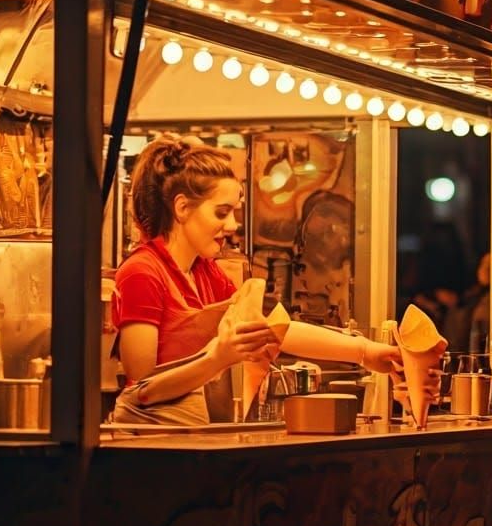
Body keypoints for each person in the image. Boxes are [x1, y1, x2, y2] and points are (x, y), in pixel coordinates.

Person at [112, 135, 399, 423]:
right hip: (148, 444)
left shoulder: (206, 272)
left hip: (190, 436)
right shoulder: (142, 272)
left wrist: (364, 352)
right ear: (182, 208)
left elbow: (274, 328)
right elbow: (142, 389)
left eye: (234, 212)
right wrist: (217, 360)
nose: (232, 224)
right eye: (222, 213)